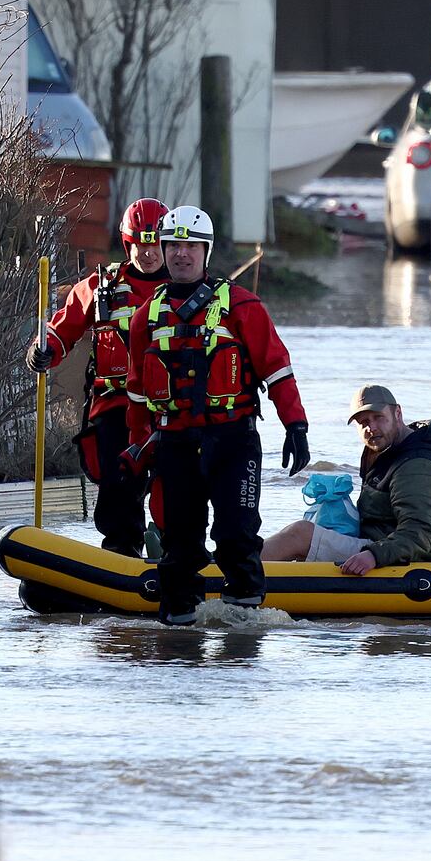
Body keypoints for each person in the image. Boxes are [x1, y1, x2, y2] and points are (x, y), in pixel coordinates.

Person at [124, 205, 310, 626]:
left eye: (191, 246)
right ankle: (177, 641)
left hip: (233, 441)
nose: (181, 254)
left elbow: (277, 368)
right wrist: (138, 446)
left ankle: (242, 646)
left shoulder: (242, 306)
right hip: (175, 445)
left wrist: (295, 425)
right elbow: (137, 391)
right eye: (174, 245)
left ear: (205, 252)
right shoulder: (144, 319)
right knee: (180, 545)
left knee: (236, 537)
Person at [26, 198, 171, 556]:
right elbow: (63, 328)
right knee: (118, 488)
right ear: (128, 243)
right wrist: (43, 350)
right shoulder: (100, 286)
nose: (148, 252)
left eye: (155, 243)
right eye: (141, 243)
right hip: (115, 405)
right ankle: (122, 553)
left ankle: (173, 549)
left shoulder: (188, 290)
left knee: (176, 487)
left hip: (172, 408)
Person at [263, 385, 431, 573]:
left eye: (378, 417)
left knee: (300, 534)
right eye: (364, 422)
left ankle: (239, 576)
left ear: (397, 413)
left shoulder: (418, 464)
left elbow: (420, 533)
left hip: (417, 563)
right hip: (384, 547)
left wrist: (373, 555)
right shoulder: (390, 452)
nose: (371, 427)